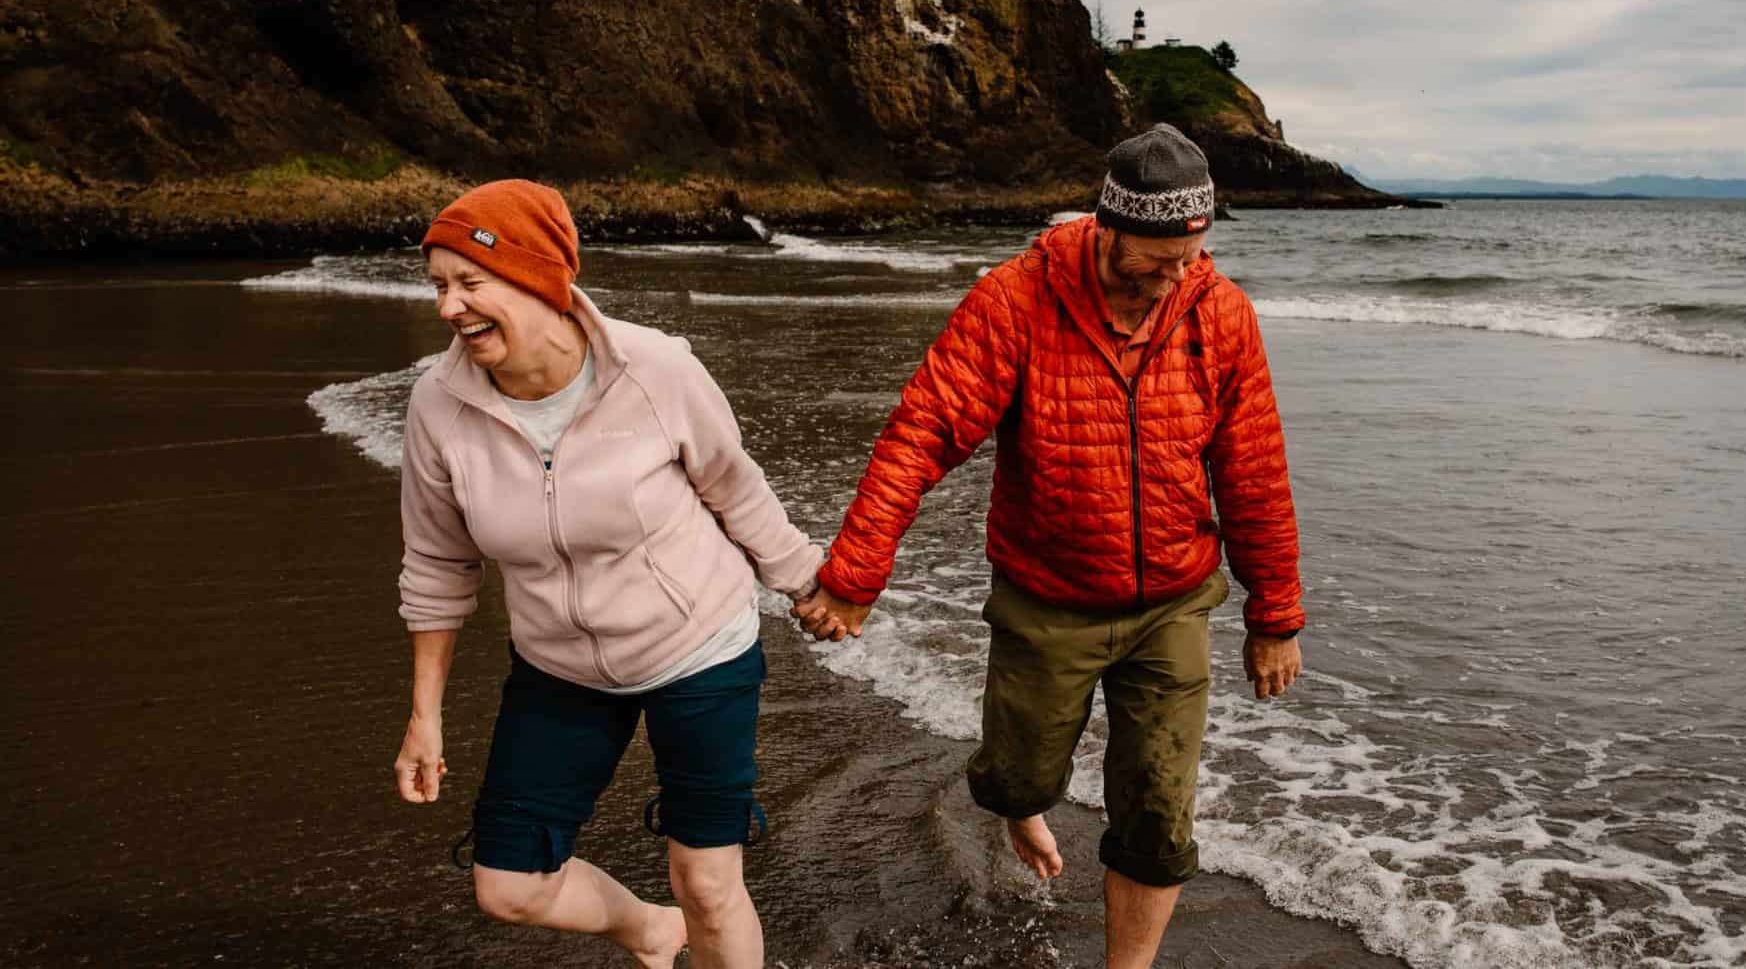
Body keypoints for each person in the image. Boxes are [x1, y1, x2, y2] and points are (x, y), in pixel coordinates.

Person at [795, 125, 1306, 969]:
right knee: (1016, 776)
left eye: (1193, 253)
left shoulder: (1219, 313)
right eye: (1158, 257)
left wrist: (1275, 614)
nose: (1178, 276)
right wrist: (854, 574)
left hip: (1172, 604)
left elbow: (1253, 471)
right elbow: (923, 430)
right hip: (1048, 597)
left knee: (1158, 814)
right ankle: (1021, 803)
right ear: (1108, 227)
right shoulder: (1016, 300)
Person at [391, 180, 825, 969]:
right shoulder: (437, 405)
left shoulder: (656, 369)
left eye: (469, 282)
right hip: (559, 665)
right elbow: (437, 563)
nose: (449, 308)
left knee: (708, 881)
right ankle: (647, 929)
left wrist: (807, 582)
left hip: (698, 646)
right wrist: (425, 714)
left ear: (538, 277)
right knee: (508, 883)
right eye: (439, 286)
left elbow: (735, 485)